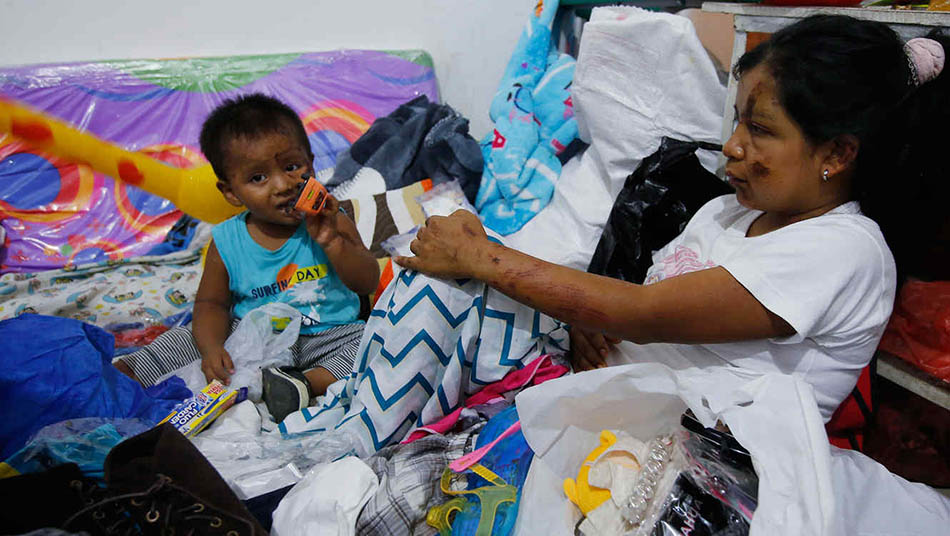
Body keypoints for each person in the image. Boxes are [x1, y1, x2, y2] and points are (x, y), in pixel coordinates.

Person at [394, 15, 950, 420]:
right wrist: (593, 318)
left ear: (836, 154)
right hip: (613, 406)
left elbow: (644, 310)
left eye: (759, 129)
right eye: (737, 122)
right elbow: (635, 302)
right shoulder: (727, 213)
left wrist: (485, 255)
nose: (730, 147)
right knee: (442, 292)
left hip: (699, 462)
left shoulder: (844, 250)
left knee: (460, 281)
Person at [116, 93, 380, 422]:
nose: (283, 184)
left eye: (292, 167)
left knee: (374, 340)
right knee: (188, 336)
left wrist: (331, 241)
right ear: (231, 192)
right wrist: (213, 349)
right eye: (258, 178)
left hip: (327, 335)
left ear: (311, 162)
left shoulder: (331, 219)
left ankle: (300, 386)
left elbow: (367, 282)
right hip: (251, 335)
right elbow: (211, 304)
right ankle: (121, 377)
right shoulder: (227, 239)